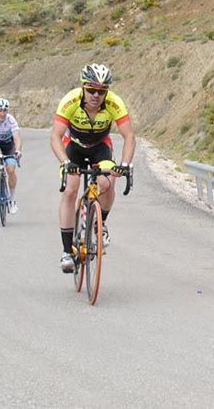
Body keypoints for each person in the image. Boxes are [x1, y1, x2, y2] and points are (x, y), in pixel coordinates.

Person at [50, 63, 136, 273]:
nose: (96, 95)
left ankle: (100, 223)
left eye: (102, 91)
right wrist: (65, 162)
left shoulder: (114, 103)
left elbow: (129, 136)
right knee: (71, 189)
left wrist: (125, 165)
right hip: (73, 147)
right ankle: (66, 251)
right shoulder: (70, 100)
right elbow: (55, 137)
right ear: (83, 88)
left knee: (107, 182)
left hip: (100, 147)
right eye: (91, 90)